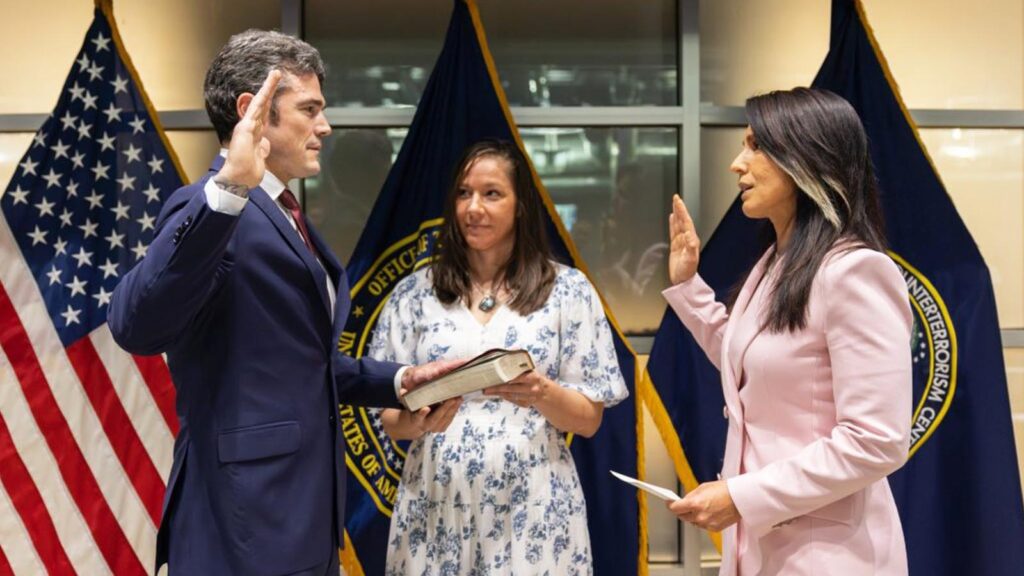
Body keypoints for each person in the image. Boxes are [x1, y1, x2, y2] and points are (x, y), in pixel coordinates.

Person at [108, 30, 459, 576]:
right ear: (253, 110)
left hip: (301, 521)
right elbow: (135, 324)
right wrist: (228, 191)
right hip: (242, 526)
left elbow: (296, 363)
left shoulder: (284, 213)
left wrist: (399, 380)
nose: (325, 126)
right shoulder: (210, 206)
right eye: (310, 109)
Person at [662, 88, 912, 575]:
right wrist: (688, 287)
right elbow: (749, 361)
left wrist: (743, 496)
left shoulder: (855, 271)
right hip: (764, 546)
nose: (737, 164)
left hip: (829, 556)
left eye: (756, 146)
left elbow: (876, 439)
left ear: (806, 158)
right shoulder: (778, 263)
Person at [366, 139, 629, 574]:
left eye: (491, 194)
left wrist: (540, 391)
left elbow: (588, 420)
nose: (474, 208)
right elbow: (391, 421)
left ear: (520, 204)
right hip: (435, 503)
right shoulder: (413, 293)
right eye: (463, 193)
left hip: (535, 507)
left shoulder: (568, 291)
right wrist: (421, 420)